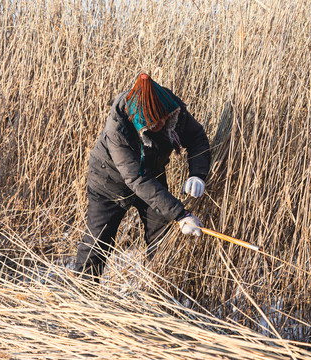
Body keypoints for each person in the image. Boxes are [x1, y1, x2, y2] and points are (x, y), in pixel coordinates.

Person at [74, 73, 211, 282]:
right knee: (97, 243)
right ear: (140, 120)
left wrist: (197, 175)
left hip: (152, 176)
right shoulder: (119, 127)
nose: (163, 124)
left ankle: (161, 293)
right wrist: (181, 214)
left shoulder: (172, 108)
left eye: (165, 118)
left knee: (161, 240)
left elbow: (197, 137)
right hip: (109, 183)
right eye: (155, 123)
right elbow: (136, 179)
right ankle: (82, 294)